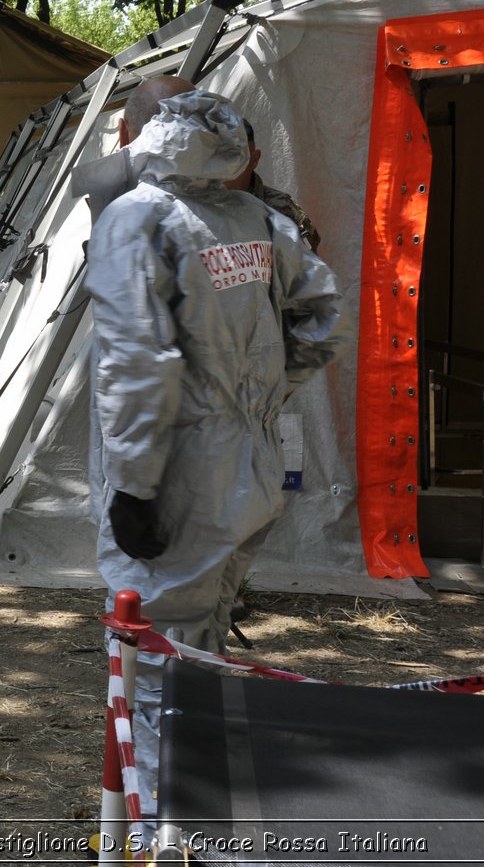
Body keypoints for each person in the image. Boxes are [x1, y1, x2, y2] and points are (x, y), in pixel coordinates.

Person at [84, 76, 348, 815]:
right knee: (203, 645)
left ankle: (167, 825)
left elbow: (138, 363)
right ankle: (199, 802)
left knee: (159, 660)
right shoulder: (253, 217)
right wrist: (258, 400)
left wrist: (135, 487)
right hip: (252, 466)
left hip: (178, 478)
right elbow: (325, 318)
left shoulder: (136, 219)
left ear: (135, 135)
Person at [227, 119, 323, 252]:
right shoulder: (200, 207)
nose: (228, 167)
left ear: (254, 159)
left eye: (237, 157)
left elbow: (308, 265)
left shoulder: (282, 207)